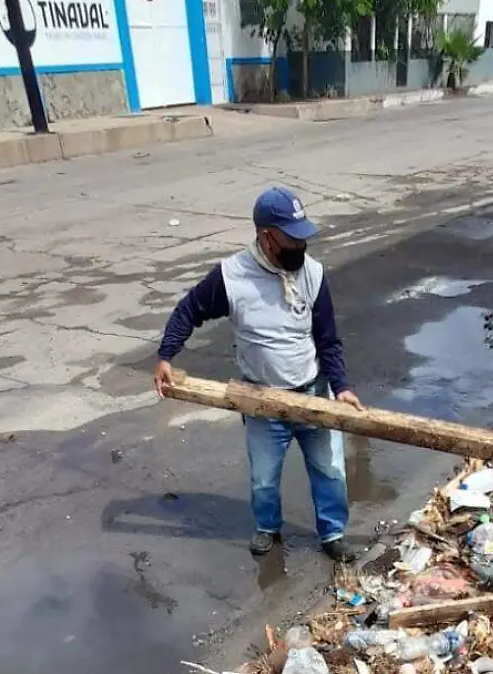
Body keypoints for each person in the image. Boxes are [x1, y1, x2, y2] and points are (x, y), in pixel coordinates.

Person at [153, 186, 362, 562]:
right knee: (264, 479)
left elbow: (328, 339)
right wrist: (166, 355)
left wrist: (341, 387)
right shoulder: (232, 277)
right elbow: (189, 310)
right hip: (262, 400)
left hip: (312, 391)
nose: (301, 247)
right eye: (292, 239)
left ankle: (332, 534)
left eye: (303, 238)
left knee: (330, 471)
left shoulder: (312, 273)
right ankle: (268, 528)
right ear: (267, 237)